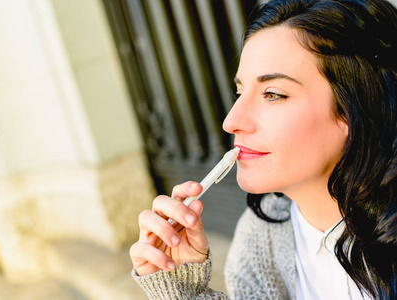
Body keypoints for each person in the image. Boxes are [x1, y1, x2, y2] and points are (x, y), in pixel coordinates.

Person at [129, 0, 397, 299]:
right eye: (240, 92)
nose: (231, 121)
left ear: (357, 108)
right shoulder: (260, 235)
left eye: (273, 93)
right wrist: (180, 288)